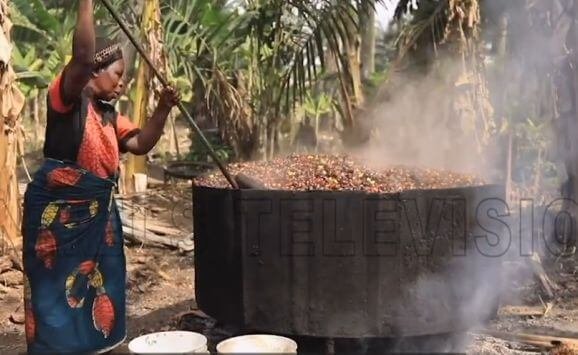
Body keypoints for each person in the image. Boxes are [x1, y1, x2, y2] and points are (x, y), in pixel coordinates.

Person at [20, 0, 180, 353]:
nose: (122, 83)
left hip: (97, 221)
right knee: (54, 296)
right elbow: (80, 56)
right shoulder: (67, 99)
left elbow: (139, 143)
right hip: (59, 219)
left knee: (99, 287)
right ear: (95, 70)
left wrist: (163, 109)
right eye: (118, 74)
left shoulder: (108, 115)